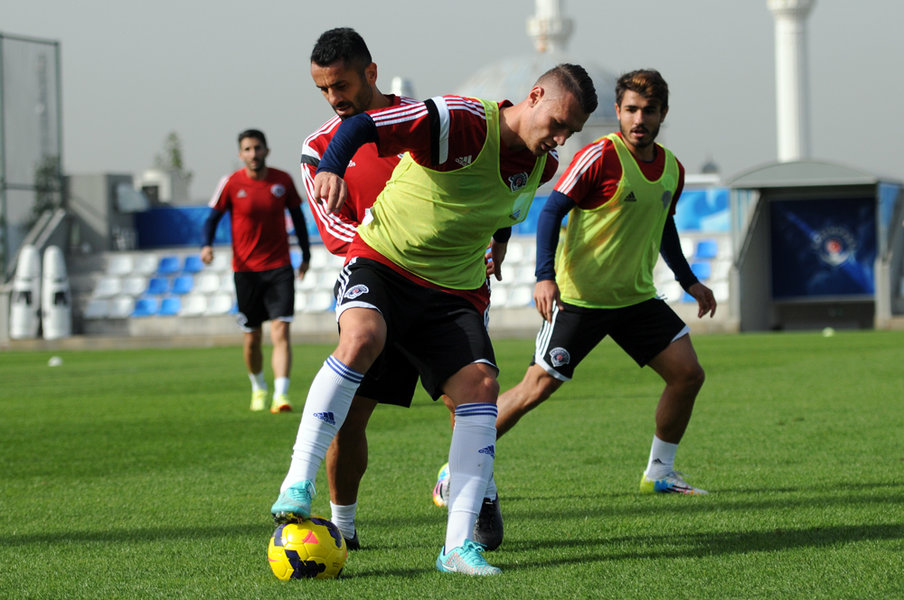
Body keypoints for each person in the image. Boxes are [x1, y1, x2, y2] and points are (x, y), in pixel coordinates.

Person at [271, 63, 597, 575]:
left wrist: (500, 243)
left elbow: (502, 208)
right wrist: (332, 166)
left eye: (570, 132)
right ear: (534, 96)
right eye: (557, 123)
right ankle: (298, 481)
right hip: (385, 261)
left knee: (481, 387)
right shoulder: (461, 120)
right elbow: (364, 125)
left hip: (454, 290)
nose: (560, 139)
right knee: (362, 338)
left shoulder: (543, 164)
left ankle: (457, 548)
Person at [489, 68, 716, 499]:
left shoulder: (673, 169)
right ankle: (458, 467)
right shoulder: (599, 157)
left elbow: (663, 226)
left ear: (663, 114)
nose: (639, 119)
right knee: (536, 388)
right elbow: (551, 212)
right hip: (580, 300)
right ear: (618, 110)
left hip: (635, 300)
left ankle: (660, 472)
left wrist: (690, 281)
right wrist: (544, 277)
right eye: (631, 109)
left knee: (688, 375)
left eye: (649, 110)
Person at [301, 27, 460, 551]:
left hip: (440, 290)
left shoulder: (425, 125)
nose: (333, 97)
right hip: (377, 291)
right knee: (349, 418)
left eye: (341, 85)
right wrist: (394, 256)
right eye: (323, 89)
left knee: (470, 404)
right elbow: (334, 232)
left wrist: (491, 239)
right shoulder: (319, 148)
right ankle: (342, 528)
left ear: (370, 72)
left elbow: (475, 184)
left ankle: (475, 499)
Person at [201, 129, 311, 413]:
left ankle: (281, 395)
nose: (253, 154)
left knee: (281, 331)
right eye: (248, 149)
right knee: (252, 339)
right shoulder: (230, 183)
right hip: (246, 271)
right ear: (241, 154)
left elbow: (298, 218)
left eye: (257, 148)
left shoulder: (282, 180)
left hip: (279, 268)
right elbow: (211, 219)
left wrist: (306, 255)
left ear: (266, 151)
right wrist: (206, 246)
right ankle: (259, 387)